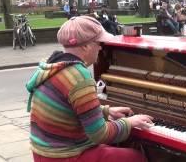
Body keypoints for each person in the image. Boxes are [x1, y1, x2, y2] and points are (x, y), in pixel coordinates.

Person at [26, 16, 154, 162]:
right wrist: (131, 122)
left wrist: (106, 111)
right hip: (65, 157)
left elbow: (70, 109)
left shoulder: (54, 66)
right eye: (98, 43)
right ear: (85, 46)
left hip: (44, 154)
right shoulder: (78, 75)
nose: (101, 47)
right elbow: (99, 134)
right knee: (136, 157)